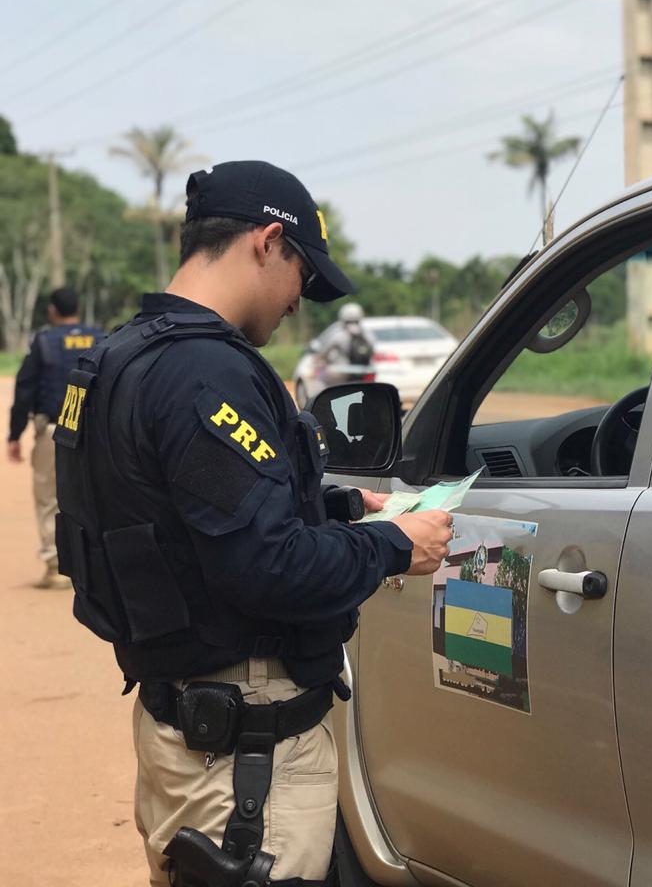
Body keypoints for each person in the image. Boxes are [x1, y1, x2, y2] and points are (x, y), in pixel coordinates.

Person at [53, 160, 454, 887]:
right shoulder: (207, 371)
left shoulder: (121, 356)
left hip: (183, 730)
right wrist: (395, 545)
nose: (300, 301)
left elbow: (175, 518)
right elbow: (270, 568)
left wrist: (334, 509)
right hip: (245, 761)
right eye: (303, 272)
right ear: (268, 242)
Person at [7, 286, 105, 589]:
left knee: (49, 498)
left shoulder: (43, 342)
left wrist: (15, 434)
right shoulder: (101, 338)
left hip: (53, 429)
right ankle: (96, 566)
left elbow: (25, 389)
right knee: (95, 495)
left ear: (52, 310)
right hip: (94, 430)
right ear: (78, 308)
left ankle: (56, 567)